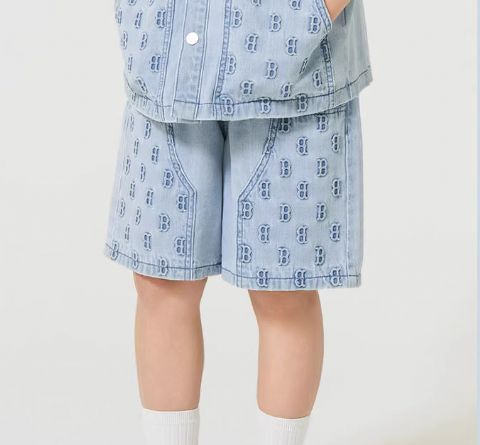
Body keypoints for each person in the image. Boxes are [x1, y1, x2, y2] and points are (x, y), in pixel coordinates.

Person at [103, 0, 373, 443]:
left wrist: (315, 11)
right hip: (167, 49)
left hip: (295, 62)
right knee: (161, 282)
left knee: (283, 291)